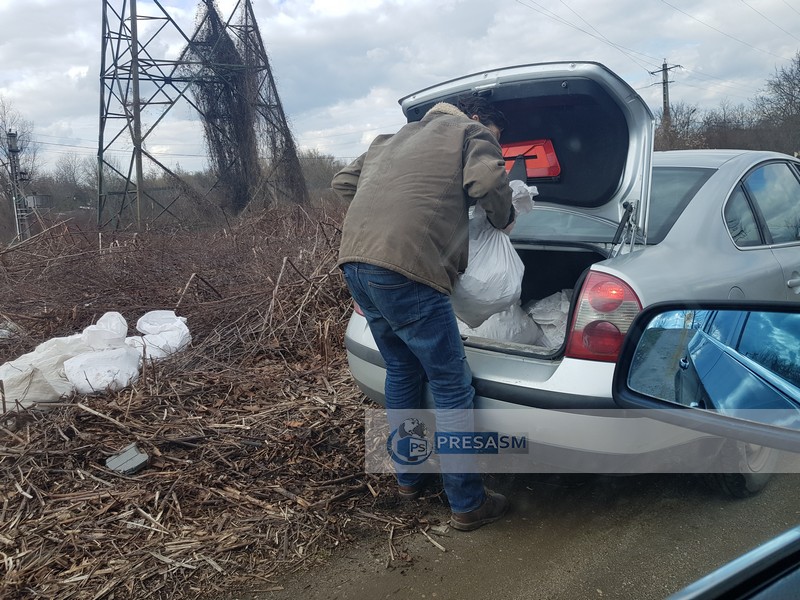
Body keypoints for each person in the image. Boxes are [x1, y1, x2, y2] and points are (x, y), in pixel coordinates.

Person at [331, 95, 515, 531]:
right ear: (478, 119)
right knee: (451, 384)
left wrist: (390, 211)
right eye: (497, 137)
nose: (494, 143)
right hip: (407, 269)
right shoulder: (471, 133)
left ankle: (408, 479)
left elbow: (341, 183)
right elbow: (488, 184)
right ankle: (468, 503)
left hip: (355, 264)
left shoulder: (389, 140)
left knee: (401, 369)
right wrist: (504, 221)